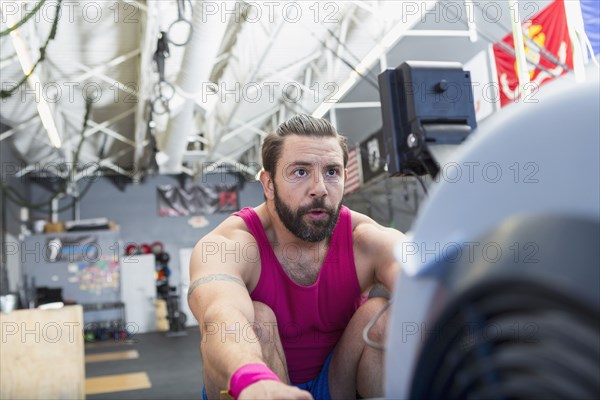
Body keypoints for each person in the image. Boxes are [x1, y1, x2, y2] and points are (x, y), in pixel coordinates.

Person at [188, 114, 407, 400]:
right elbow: (220, 317)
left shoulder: (366, 239)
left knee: (381, 314)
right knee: (259, 318)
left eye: (331, 172)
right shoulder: (230, 243)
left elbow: (429, 287)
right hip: (256, 384)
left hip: (338, 380)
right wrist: (253, 380)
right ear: (268, 184)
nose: (320, 188)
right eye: (300, 172)